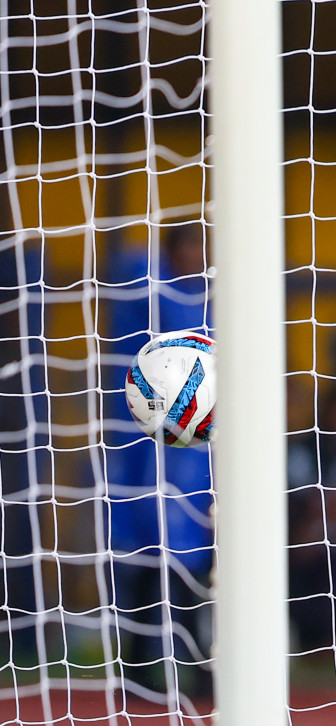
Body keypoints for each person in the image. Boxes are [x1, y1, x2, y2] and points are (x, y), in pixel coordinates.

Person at [104, 224, 215, 697]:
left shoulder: (212, 309)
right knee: (147, 562)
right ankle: (136, 669)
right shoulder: (148, 301)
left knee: (192, 565)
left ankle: (198, 669)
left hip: (196, 453)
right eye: (188, 246)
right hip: (148, 450)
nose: (197, 255)